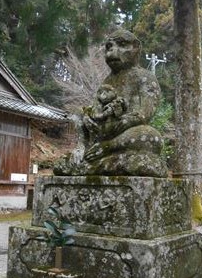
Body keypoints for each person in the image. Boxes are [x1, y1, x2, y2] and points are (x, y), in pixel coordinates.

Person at [54, 29, 167, 177]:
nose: (112, 50)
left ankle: (106, 149)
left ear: (136, 47)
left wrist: (128, 119)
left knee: (152, 136)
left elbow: (144, 113)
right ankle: (82, 148)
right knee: (77, 113)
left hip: (125, 134)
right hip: (101, 132)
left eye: (121, 44)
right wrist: (90, 116)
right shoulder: (107, 80)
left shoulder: (144, 78)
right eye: (109, 46)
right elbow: (95, 108)